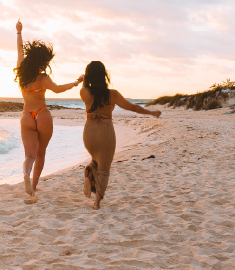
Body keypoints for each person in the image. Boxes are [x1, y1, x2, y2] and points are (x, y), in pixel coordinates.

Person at [15, 20, 83, 202]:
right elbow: (59, 89)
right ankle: (34, 186)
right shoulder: (43, 77)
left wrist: (19, 32)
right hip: (42, 114)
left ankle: (26, 174)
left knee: (29, 155)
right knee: (41, 153)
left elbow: (20, 50)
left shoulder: (22, 72)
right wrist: (76, 82)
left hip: (27, 116)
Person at [80, 60, 161, 210]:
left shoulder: (84, 92)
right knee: (104, 168)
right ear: (104, 75)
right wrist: (151, 112)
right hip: (104, 133)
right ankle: (96, 202)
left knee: (95, 159)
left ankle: (89, 176)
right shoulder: (113, 94)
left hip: (88, 134)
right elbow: (133, 107)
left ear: (89, 76)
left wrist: (84, 79)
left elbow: (84, 86)